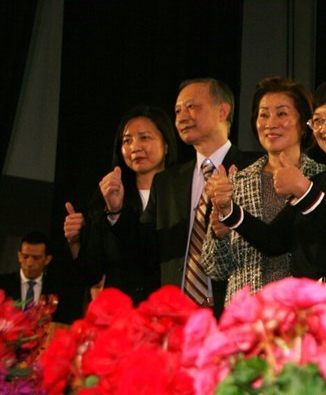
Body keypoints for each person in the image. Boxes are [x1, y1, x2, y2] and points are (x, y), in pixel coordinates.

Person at [211, 74, 326, 300]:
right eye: (318, 120)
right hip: (311, 307)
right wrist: (228, 209)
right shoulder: (319, 181)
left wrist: (304, 191)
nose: (325, 129)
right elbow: (274, 241)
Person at [109, 78, 257, 317]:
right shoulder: (167, 181)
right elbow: (146, 251)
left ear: (222, 111)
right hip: (174, 316)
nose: (181, 117)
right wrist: (117, 212)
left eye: (192, 107)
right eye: (178, 111)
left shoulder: (253, 169)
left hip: (231, 313)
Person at [200, 77, 326, 305]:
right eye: (263, 114)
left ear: (304, 124)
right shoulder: (234, 182)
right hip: (247, 315)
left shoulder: (324, 177)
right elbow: (215, 270)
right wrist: (218, 235)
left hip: (304, 312)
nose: (270, 123)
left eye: (281, 114)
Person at [63, 105, 177, 304]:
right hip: (118, 316)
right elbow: (91, 274)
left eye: (145, 137)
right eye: (127, 140)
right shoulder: (108, 195)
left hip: (164, 313)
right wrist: (75, 242)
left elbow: (153, 254)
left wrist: (117, 214)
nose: (135, 147)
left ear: (166, 144)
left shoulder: (180, 194)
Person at [0, 232, 72, 323]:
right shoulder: (2, 285)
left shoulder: (58, 288)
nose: (29, 263)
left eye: (36, 258)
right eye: (25, 257)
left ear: (47, 259)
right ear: (19, 256)